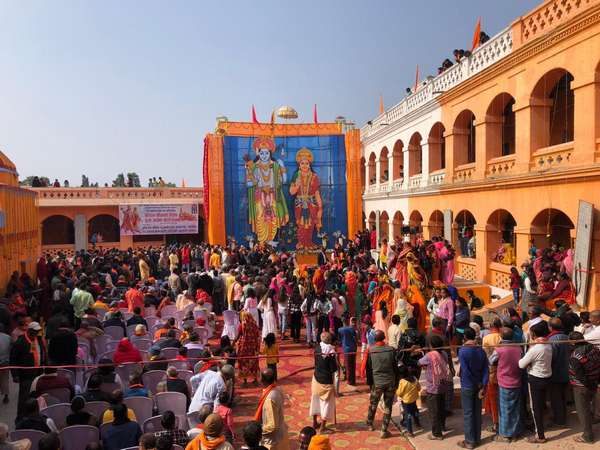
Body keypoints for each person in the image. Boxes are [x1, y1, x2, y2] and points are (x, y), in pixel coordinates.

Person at [518, 322, 552, 444]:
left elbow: (521, 364)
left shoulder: (536, 348)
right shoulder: (548, 345)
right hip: (546, 377)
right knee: (540, 405)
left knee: (535, 408)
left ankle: (540, 435)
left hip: (537, 379)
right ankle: (538, 427)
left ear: (533, 334)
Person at [363, 329, 398, 438]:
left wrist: (369, 382)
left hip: (377, 382)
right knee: (388, 405)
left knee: (373, 404)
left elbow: (368, 368)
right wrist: (396, 382)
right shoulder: (391, 350)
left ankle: (369, 424)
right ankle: (384, 430)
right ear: (384, 337)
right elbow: (395, 368)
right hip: (390, 381)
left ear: (374, 339)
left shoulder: (371, 350)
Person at [457, 327, 488, 449]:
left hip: (468, 385)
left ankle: (469, 441)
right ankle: (477, 438)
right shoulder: (481, 350)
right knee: (477, 413)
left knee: (468, 414)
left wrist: (478, 383)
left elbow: (465, 371)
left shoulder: (463, 351)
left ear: (465, 336)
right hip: (478, 385)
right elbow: (486, 369)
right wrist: (482, 384)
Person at [9, 322, 46, 422]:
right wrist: (15, 374)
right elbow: (13, 358)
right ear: (29, 330)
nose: (37, 332)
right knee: (24, 396)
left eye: (38, 330)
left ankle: (34, 415)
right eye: (35, 330)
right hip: (25, 374)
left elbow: (42, 352)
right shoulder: (20, 342)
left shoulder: (38, 340)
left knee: (36, 395)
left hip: (38, 372)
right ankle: (20, 418)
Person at [569, 331, 600, 443]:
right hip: (594, 383)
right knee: (590, 407)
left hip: (582, 387)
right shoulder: (594, 348)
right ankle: (591, 422)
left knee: (583, 411)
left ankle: (587, 436)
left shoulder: (576, 356)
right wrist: (595, 385)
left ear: (573, 343)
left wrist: (592, 386)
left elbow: (580, 376)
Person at [418, 335, 449, 440]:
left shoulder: (429, 356)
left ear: (432, 346)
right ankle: (442, 426)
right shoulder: (444, 354)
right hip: (443, 385)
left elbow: (419, 363)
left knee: (434, 411)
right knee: (441, 408)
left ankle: (437, 434)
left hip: (433, 387)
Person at [253, 368, 289, 449]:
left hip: (273, 440)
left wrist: (257, 430)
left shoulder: (269, 399)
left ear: (262, 380)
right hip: (281, 433)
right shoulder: (278, 389)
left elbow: (272, 425)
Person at [309, 332, 337, 435]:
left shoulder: (317, 348)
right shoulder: (330, 352)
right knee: (327, 404)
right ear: (330, 341)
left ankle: (315, 422)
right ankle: (322, 427)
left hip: (316, 377)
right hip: (326, 380)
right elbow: (333, 369)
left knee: (315, 400)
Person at [547, 317, 570, 427]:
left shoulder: (552, 340)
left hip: (556, 372)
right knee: (563, 397)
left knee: (556, 398)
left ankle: (560, 420)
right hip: (566, 371)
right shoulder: (566, 337)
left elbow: (552, 357)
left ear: (551, 327)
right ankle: (562, 416)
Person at [481, 317, 502, 433]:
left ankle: (496, 424)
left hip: (492, 372)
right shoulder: (503, 336)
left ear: (490, 325)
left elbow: (486, 356)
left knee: (494, 398)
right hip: (504, 371)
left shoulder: (487, 338)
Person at [396, 365, 420, 438]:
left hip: (406, 401)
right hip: (414, 399)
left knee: (407, 416)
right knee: (415, 411)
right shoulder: (415, 379)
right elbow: (419, 388)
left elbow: (399, 393)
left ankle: (410, 432)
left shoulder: (403, 382)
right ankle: (417, 423)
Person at [237, 312, 261, 387]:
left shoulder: (242, 326)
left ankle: (245, 382)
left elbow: (237, 337)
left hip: (245, 348)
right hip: (253, 349)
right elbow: (258, 336)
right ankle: (255, 380)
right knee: (254, 364)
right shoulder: (254, 325)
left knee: (243, 363)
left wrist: (232, 343)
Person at [337, 314, 358, 386]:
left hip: (346, 349)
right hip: (353, 348)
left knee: (348, 366)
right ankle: (353, 380)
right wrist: (354, 342)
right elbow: (356, 336)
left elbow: (339, 339)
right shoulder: (351, 328)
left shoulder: (340, 330)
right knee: (353, 365)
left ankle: (349, 381)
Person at [0, 324, 12, 404]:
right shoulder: (8, 337)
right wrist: (7, 360)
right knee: (5, 379)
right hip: (5, 362)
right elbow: (10, 350)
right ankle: (6, 396)